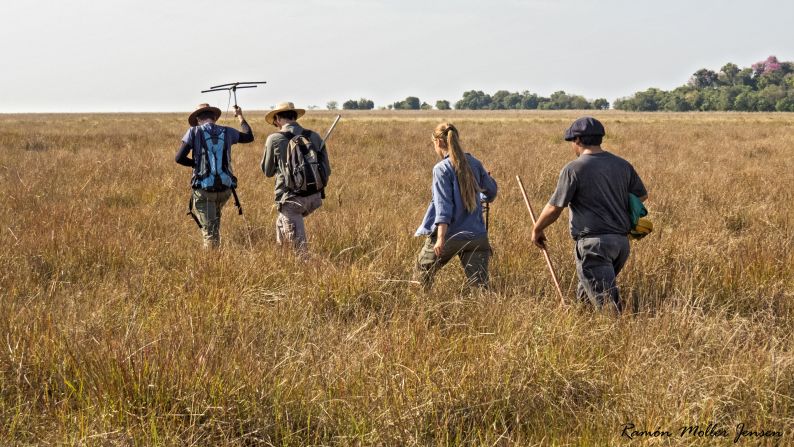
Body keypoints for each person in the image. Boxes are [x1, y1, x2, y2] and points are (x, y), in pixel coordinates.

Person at [531, 117, 648, 312]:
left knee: (606, 305)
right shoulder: (622, 165)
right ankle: (580, 325)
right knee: (586, 297)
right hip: (620, 243)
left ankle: (617, 337)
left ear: (577, 140)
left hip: (594, 245)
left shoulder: (574, 168)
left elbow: (555, 208)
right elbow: (642, 195)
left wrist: (537, 229)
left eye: (572, 142)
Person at [415, 123, 498, 290]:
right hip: (477, 235)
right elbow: (492, 193)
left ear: (438, 142)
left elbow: (443, 206)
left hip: (450, 236)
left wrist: (440, 239)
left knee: (421, 274)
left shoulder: (441, 169)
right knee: (480, 287)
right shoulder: (475, 163)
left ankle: (420, 311)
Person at [175, 103, 254, 249]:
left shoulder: (193, 132)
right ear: (214, 118)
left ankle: (211, 266)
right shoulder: (227, 131)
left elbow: (179, 158)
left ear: (198, 119)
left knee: (209, 233)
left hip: (204, 191)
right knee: (214, 227)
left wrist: (196, 164)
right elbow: (249, 137)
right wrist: (240, 117)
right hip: (225, 190)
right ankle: (217, 257)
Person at [261, 102, 331, 255]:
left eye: (275, 121)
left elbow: (267, 171)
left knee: (298, 251)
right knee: (281, 227)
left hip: (291, 200)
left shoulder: (274, 139)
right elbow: (327, 170)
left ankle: (304, 272)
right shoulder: (314, 136)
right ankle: (282, 262)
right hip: (315, 197)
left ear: (278, 118)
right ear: (294, 116)